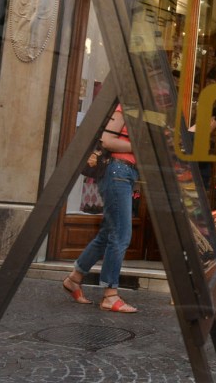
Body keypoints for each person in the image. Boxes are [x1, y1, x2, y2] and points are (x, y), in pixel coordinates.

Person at [61, 104, 139, 312]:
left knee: (107, 233)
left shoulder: (141, 110)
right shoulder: (125, 107)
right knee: (121, 235)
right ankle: (110, 295)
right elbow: (108, 140)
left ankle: (74, 279)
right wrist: (139, 147)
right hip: (117, 171)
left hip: (126, 173)